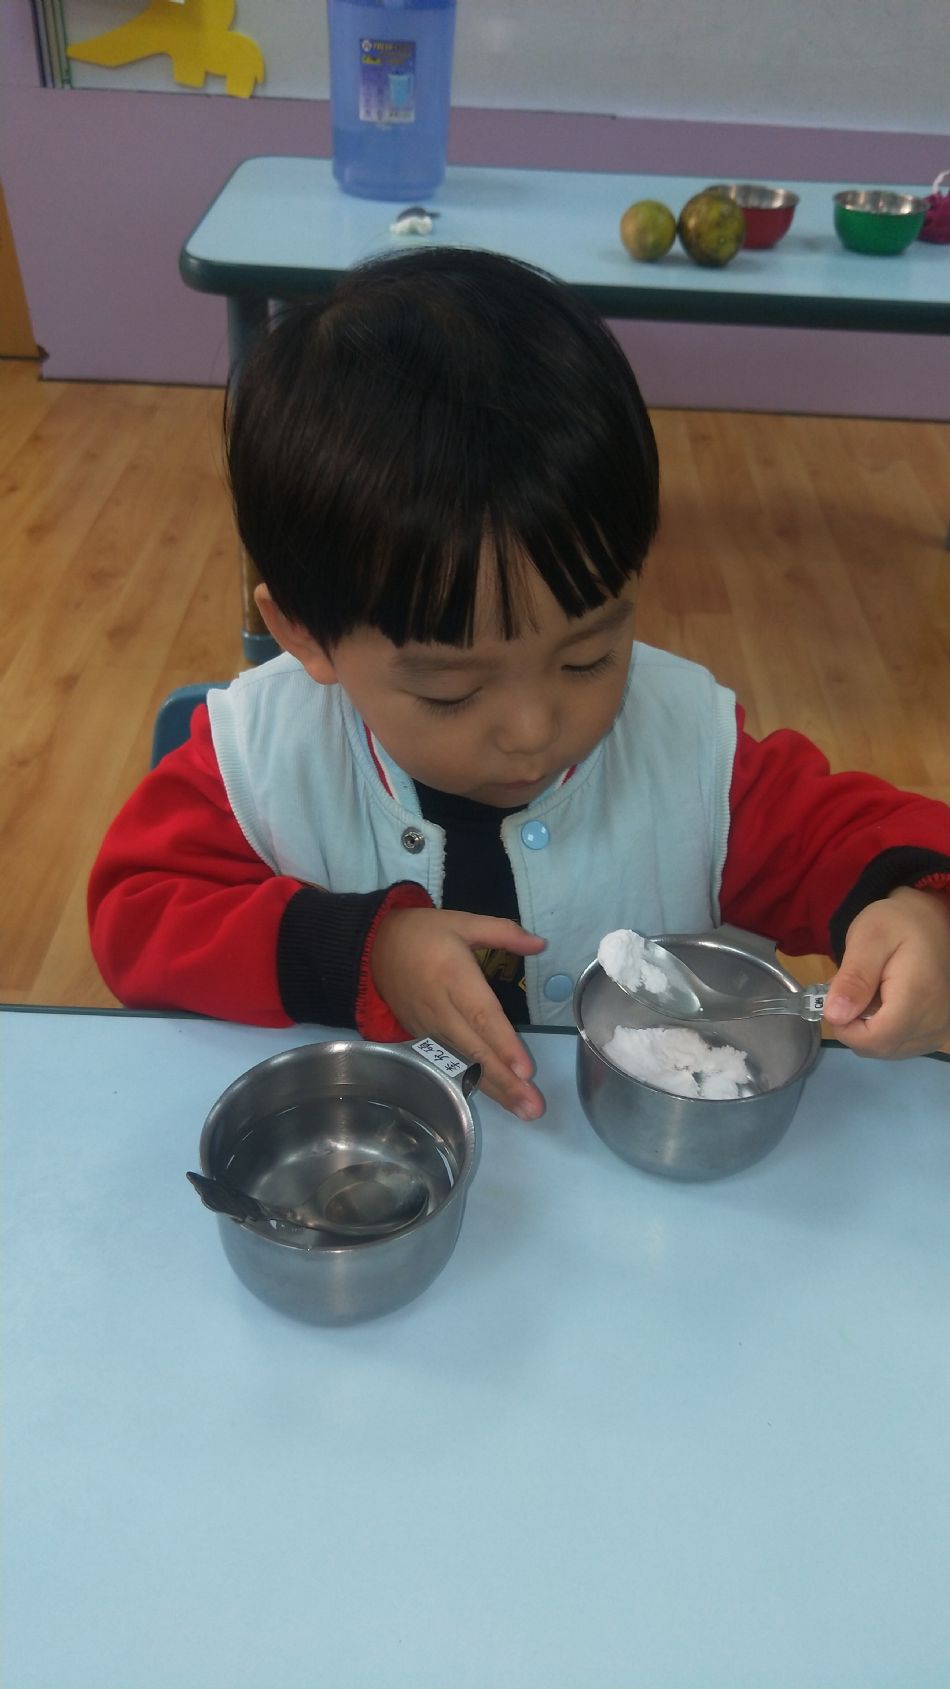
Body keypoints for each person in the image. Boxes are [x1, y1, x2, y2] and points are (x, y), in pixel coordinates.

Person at [88, 247, 950, 1117]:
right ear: (305, 634)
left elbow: (864, 839)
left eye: (588, 657)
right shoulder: (265, 759)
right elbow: (135, 914)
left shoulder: (692, 759)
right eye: (452, 691)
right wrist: (364, 952)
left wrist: (923, 915)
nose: (534, 728)